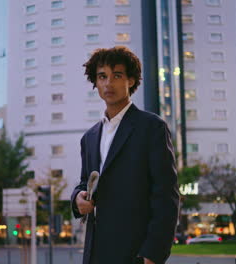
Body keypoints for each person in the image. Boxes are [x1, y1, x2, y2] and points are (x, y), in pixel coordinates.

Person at [71, 46, 180, 264]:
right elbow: (85, 182)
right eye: (102, 76)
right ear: (96, 82)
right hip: (95, 253)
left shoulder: (151, 127)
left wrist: (152, 255)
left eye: (117, 75)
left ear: (131, 80)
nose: (108, 83)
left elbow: (166, 195)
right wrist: (77, 199)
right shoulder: (89, 137)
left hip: (135, 253)